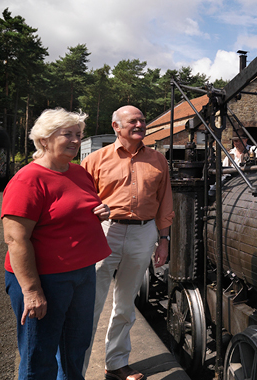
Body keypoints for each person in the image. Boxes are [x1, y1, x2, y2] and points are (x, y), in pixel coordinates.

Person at [2, 108, 111, 379]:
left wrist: (102, 210)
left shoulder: (78, 172)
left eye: (79, 134)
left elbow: (79, 207)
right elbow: (16, 239)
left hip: (82, 273)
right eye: (67, 134)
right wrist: (32, 291)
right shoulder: (28, 179)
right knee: (39, 355)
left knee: (75, 349)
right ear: (44, 140)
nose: (75, 140)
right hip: (45, 280)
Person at [81, 105, 174, 380]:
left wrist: (164, 239)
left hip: (143, 233)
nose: (140, 124)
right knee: (90, 303)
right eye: (133, 121)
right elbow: (80, 199)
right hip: (104, 230)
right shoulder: (96, 160)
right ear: (116, 127)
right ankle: (77, 369)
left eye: (142, 120)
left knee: (125, 302)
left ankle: (117, 363)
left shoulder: (158, 159)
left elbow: (165, 201)